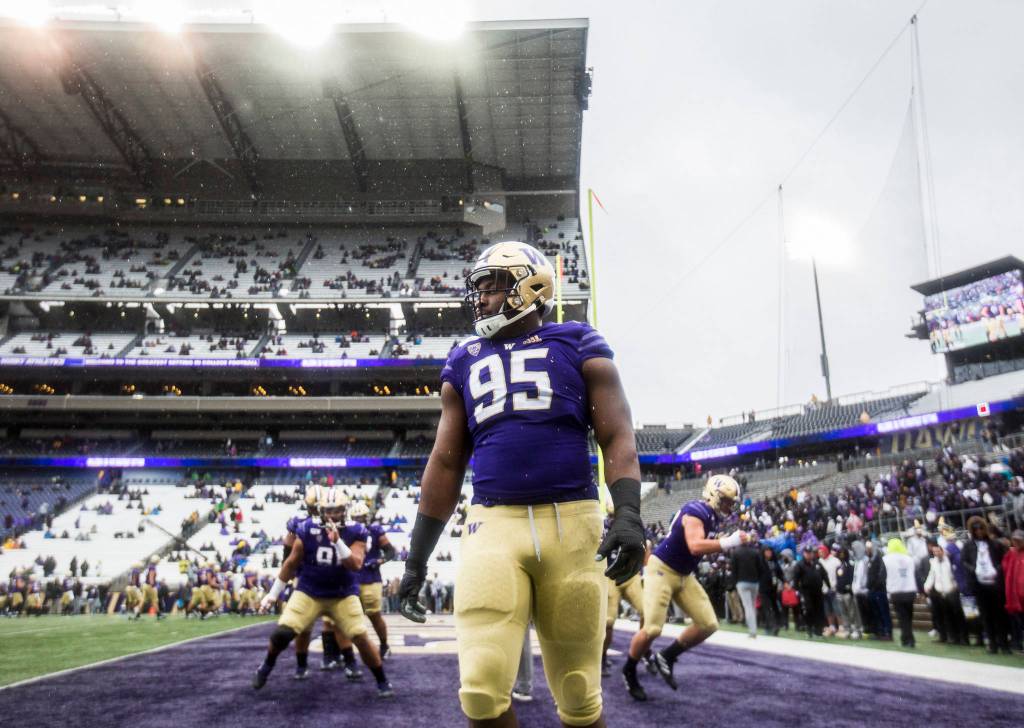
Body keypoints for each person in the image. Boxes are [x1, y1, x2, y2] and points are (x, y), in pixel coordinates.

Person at [398, 241, 646, 728]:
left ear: (530, 288)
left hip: (573, 526)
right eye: (480, 288)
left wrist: (630, 512)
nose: (481, 299)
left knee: (578, 692)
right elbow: (446, 465)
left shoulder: (577, 342)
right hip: (493, 525)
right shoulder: (464, 358)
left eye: (493, 287)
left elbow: (616, 434)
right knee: (481, 688)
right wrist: (416, 559)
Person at [252, 487, 392, 696]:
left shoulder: (356, 531)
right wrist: (273, 594)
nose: (333, 515)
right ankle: (266, 665)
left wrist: (337, 542)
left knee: (360, 636)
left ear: (345, 510)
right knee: (283, 632)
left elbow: (355, 564)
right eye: (328, 510)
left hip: (343, 593)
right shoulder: (307, 528)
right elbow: (291, 563)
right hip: (310, 591)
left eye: (337, 510)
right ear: (321, 511)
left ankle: (382, 680)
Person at [622, 475, 752, 701]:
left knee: (708, 624)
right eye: (727, 501)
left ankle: (667, 656)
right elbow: (694, 546)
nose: (730, 507)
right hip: (661, 569)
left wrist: (724, 540)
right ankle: (629, 670)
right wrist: (729, 542)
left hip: (683, 574)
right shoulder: (696, 511)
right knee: (652, 628)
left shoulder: (710, 515)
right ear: (714, 495)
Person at [350, 502, 397, 659]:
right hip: (351, 579)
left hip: (371, 579)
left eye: (361, 517)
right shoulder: (346, 531)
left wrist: (379, 561)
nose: (359, 521)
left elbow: (390, 551)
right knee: (348, 617)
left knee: (374, 615)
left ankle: (384, 645)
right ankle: (346, 651)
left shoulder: (375, 530)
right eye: (356, 518)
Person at [961, 516, 1010, 654]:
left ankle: (1004, 644)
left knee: (1000, 616)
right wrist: (974, 569)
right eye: (975, 529)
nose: (979, 531)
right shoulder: (968, 546)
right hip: (979, 585)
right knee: (986, 617)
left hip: (995, 585)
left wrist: (996, 569)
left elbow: (1003, 561)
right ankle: (992, 644)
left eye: (981, 528)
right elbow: (964, 561)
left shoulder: (994, 544)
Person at [923, 537, 967, 645]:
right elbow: (931, 575)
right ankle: (952, 637)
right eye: (934, 552)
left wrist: (956, 586)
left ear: (942, 551)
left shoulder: (950, 561)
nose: (936, 553)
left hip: (952, 590)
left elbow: (955, 575)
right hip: (941, 592)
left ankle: (963, 638)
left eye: (938, 551)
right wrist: (927, 586)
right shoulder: (934, 562)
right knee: (947, 616)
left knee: (957, 615)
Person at [883, 538, 918, 648]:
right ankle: (909, 638)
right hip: (910, 590)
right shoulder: (909, 559)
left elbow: (883, 575)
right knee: (908, 616)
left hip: (896, 591)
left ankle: (907, 639)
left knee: (902, 617)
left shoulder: (886, 559)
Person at [730, 537, 763, 638]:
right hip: (754, 582)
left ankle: (752, 631)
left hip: (742, 582)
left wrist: (735, 583)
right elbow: (760, 567)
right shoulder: (755, 552)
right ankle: (754, 628)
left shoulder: (735, 553)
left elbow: (734, 570)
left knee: (748, 607)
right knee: (752, 606)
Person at [793, 545, 828, 639]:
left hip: (818, 591)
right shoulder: (800, 565)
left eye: (810, 553)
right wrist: (796, 590)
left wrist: (828, 586)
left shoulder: (817, 563)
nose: (809, 555)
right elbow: (796, 579)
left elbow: (824, 575)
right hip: (806, 591)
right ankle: (809, 629)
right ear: (804, 553)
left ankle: (818, 631)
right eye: (807, 553)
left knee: (819, 610)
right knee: (809, 610)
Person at [1003, 530, 1024, 652]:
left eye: (1019, 540)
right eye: (1015, 540)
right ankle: (1017, 644)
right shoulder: (1011, 553)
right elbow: (1005, 568)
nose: (1017, 542)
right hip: (1014, 596)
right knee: (1017, 621)